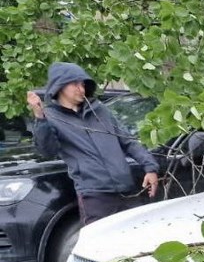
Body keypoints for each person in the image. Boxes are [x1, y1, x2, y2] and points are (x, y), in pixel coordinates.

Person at [27, 62, 160, 225]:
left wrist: (150, 168)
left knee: (138, 241)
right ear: (60, 86)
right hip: (95, 196)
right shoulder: (51, 118)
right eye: (75, 84)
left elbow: (128, 142)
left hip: (128, 190)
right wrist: (40, 118)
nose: (81, 89)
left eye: (83, 84)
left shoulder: (100, 111)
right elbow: (48, 151)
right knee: (100, 247)